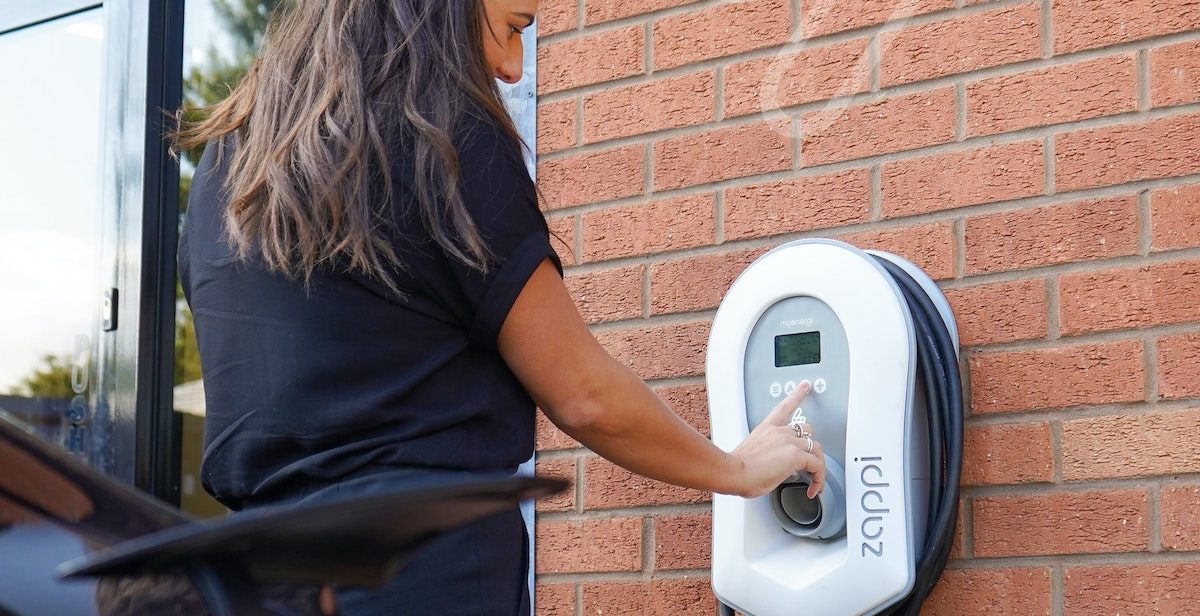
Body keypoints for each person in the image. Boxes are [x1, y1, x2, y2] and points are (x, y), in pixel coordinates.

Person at [174, 1, 826, 614]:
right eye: (514, 25)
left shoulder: (226, 171)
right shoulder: (443, 135)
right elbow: (585, 396)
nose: (513, 66)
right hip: (423, 565)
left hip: (259, 576)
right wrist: (736, 469)